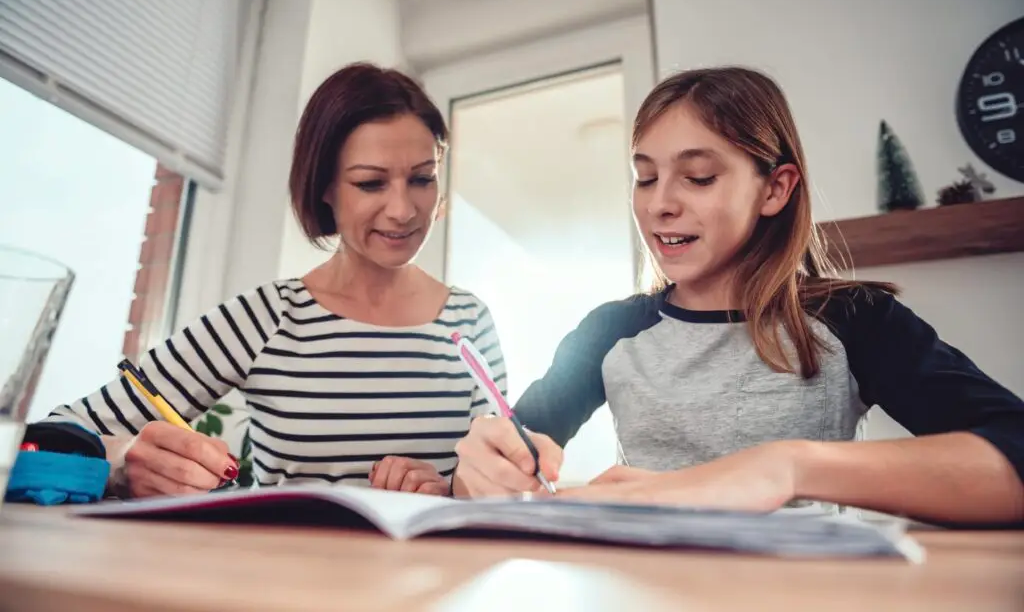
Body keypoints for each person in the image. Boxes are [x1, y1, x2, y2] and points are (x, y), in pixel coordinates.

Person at [452, 66, 1024, 526]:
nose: (659, 204)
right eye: (645, 177)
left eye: (698, 177)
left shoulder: (852, 319)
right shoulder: (607, 331)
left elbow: (1010, 451)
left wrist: (787, 466)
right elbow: (507, 458)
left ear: (775, 188)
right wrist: (477, 470)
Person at [50, 63, 507, 499]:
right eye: (370, 183)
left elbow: (500, 484)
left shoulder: (470, 320)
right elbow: (54, 434)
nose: (404, 210)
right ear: (324, 186)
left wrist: (450, 491)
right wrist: (121, 461)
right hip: (283, 578)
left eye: (422, 179)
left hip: (439, 578)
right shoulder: (267, 317)